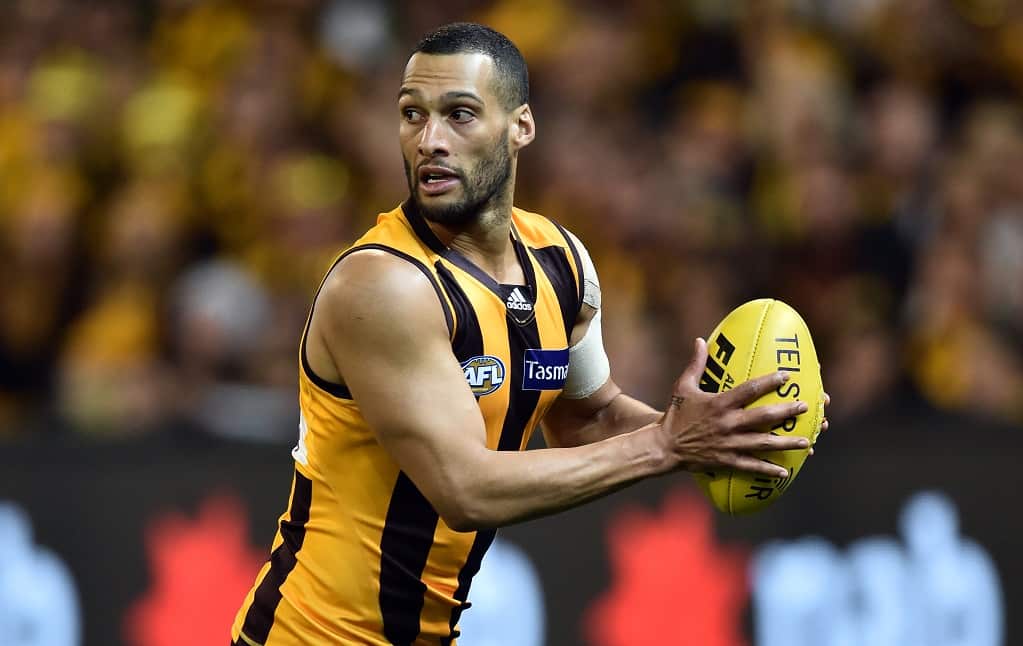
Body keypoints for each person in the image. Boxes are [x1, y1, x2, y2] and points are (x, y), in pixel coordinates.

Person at [231, 22, 828, 646]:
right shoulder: (382, 286)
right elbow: (465, 488)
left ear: (521, 126)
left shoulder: (560, 261)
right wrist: (668, 446)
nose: (429, 140)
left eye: (459, 114)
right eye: (413, 115)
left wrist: (723, 429)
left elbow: (588, 419)